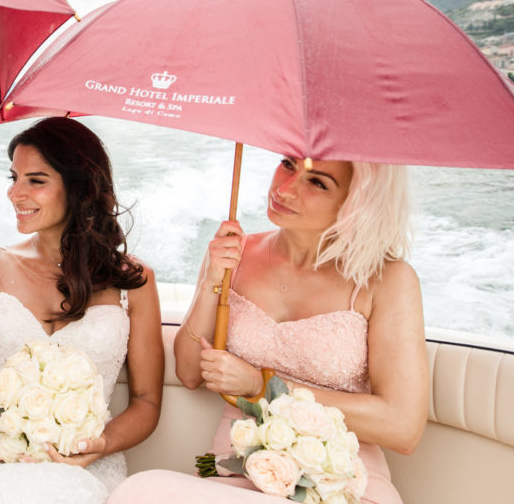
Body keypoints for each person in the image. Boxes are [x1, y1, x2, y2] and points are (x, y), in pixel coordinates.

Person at [110, 157, 428, 503]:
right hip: (228, 473)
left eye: (317, 182)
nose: (286, 188)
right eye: (288, 164)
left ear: (356, 202)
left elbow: (403, 427)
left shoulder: (388, 280)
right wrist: (211, 284)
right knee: (141, 491)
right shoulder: (233, 255)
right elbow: (189, 373)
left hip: (340, 485)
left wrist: (261, 385)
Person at [0, 117, 164, 504]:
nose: (15, 193)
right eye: (13, 177)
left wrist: (100, 443)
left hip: (80, 464)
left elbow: (147, 401)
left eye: (35, 180)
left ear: (81, 188)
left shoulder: (134, 281)